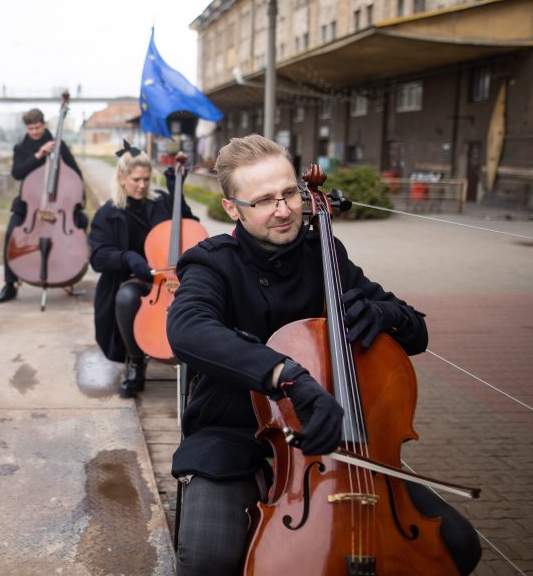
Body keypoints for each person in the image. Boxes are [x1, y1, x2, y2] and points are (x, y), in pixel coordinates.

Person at [166, 134, 481, 575]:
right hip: (233, 436)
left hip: (337, 441)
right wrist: (285, 376)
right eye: (264, 201)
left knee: (458, 545)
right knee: (208, 558)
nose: (285, 209)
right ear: (232, 209)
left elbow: (416, 331)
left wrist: (382, 313)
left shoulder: (325, 253)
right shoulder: (211, 263)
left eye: (290, 193)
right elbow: (187, 329)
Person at [88, 141, 196, 397]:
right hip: (133, 280)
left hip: (168, 278)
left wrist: (176, 191)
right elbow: (98, 256)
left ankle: (197, 363)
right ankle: (135, 361)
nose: (142, 185)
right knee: (126, 298)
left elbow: (192, 228)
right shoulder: (108, 213)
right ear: (122, 178)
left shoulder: (160, 202)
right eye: (136, 179)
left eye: (147, 179)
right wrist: (126, 258)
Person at [0, 107, 88, 303]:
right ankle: (9, 284)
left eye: (38, 127)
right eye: (31, 128)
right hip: (31, 206)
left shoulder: (59, 145)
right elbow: (18, 173)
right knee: (11, 233)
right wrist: (38, 155)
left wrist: (73, 198)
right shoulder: (21, 148)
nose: (35, 131)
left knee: (82, 223)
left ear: (43, 125)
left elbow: (76, 174)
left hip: (59, 206)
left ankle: (67, 269)